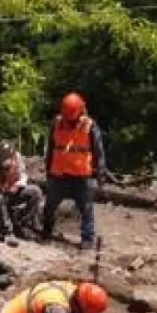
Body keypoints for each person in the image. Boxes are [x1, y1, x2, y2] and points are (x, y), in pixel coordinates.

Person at [41, 92, 105, 249]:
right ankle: (47, 231)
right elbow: (51, 148)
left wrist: (101, 173)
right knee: (50, 206)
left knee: (86, 209)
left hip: (81, 176)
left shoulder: (89, 126)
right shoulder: (56, 123)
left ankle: (87, 239)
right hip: (59, 174)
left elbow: (98, 151)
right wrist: (48, 169)